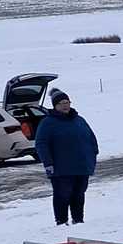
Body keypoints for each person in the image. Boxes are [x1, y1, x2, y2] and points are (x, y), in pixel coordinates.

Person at [33, 88, 97, 225]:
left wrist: (92, 156)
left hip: (81, 167)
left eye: (67, 102)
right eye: (61, 103)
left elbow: (91, 139)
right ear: (55, 105)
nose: (65, 105)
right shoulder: (48, 123)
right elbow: (41, 144)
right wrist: (48, 163)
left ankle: (78, 220)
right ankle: (61, 222)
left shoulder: (79, 120)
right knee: (62, 195)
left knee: (79, 195)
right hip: (61, 169)